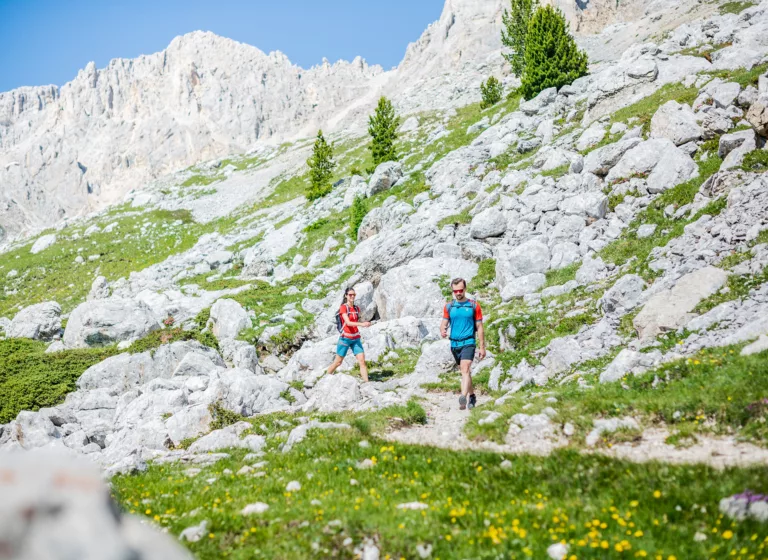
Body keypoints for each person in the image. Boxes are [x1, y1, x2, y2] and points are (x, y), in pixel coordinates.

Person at [440, 277, 485, 410]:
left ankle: (463, 397)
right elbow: (444, 323)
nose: (458, 293)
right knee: (465, 373)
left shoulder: (473, 305)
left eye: (460, 290)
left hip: (469, 342)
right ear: (452, 291)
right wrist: (442, 330)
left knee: (465, 369)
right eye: (455, 291)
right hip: (454, 344)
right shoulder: (449, 306)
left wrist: (482, 347)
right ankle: (472, 396)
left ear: (465, 289)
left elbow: (480, 327)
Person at [326, 287, 372, 382]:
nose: (352, 296)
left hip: (356, 338)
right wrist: (362, 324)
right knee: (338, 362)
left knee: (362, 361)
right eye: (350, 294)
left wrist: (365, 323)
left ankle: (367, 383)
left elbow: (355, 320)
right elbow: (348, 322)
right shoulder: (343, 308)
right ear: (346, 296)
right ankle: (326, 378)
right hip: (345, 338)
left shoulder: (356, 308)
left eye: (353, 295)